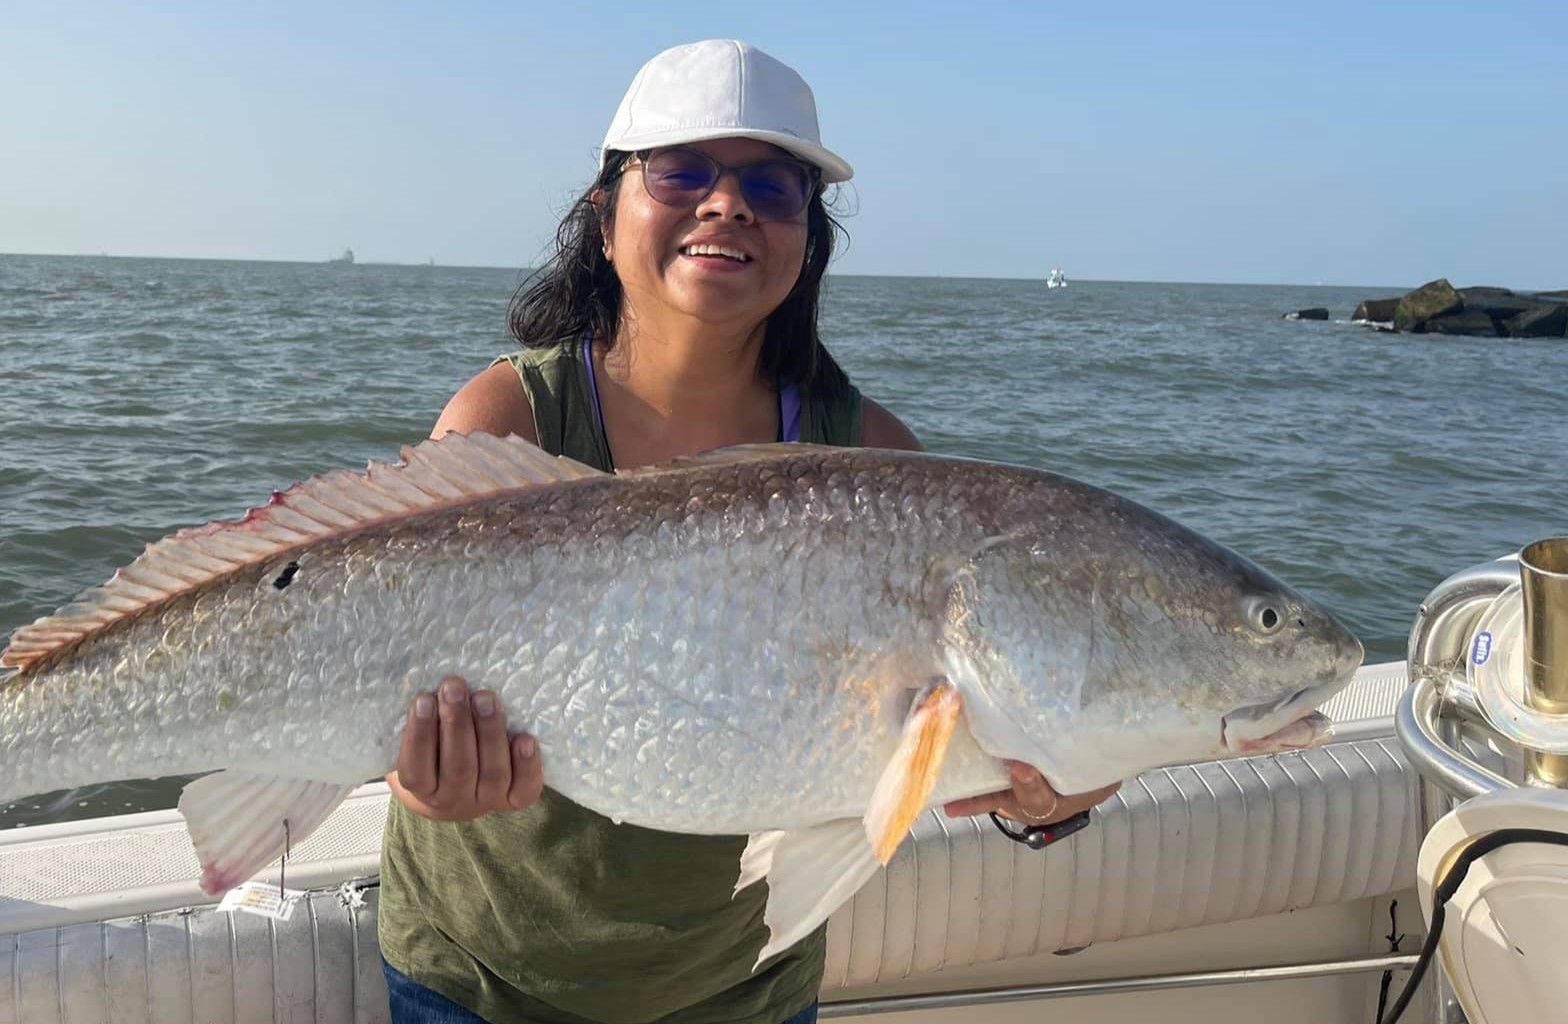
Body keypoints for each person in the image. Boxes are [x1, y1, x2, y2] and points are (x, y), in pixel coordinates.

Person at [377, 40, 1122, 1024]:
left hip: (744, 991)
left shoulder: (876, 459)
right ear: (604, 218)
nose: (726, 205)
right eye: (680, 172)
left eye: (771, 188)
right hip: (480, 979)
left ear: (806, 240)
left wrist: (1052, 796)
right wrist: (420, 779)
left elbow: (927, 753)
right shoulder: (505, 420)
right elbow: (383, 658)